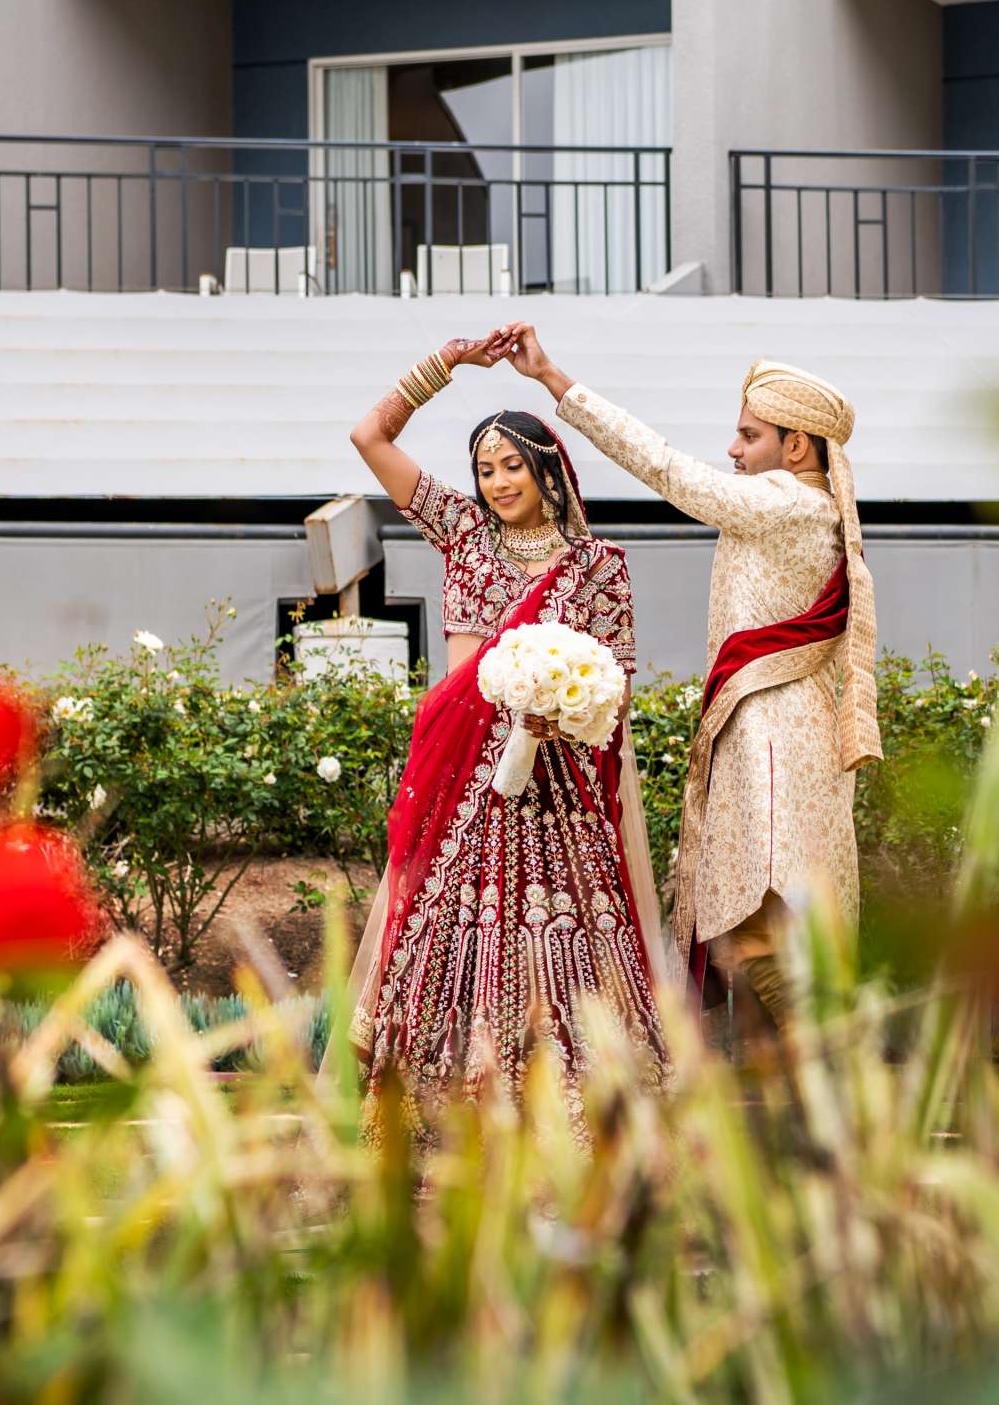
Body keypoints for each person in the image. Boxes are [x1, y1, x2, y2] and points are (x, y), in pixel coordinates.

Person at [492, 322, 881, 1046]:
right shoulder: (796, 505)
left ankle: (823, 1093)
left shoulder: (788, 503)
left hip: (772, 737)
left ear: (795, 446)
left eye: (747, 435)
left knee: (757, 924)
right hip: (765, 726)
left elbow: (668, 470)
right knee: (752, 929)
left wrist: (554, 381)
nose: (732, 451)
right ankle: (801, 1108)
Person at [344, 337, 672, 1139]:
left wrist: (558, 715)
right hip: (474, 780)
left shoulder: (598, 566)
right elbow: (369, 438)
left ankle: (580, 1093)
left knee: (567, 929)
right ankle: (448, 1098)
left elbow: (616, 683)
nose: (495, 483)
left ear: (549, 471)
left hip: (563, 788)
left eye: (511, 467)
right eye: (485, 469)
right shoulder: (461, 533)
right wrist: (444, 363)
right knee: (459, 924)